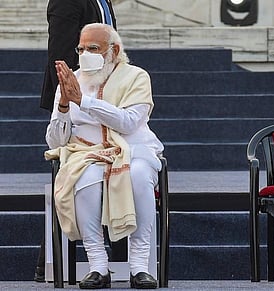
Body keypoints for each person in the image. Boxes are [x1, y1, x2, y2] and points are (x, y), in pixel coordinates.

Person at [44, 23, 162, 289]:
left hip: (133, 149)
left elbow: (129, 122)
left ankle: (140, 267)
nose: (85, 53)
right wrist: (64, 106)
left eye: (93, 48)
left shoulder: (136, 77)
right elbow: (55, 141)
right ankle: (97, 266)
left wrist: (83, 102)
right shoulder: (71, 82)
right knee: (84, 177)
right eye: (81, 48)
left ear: (114, 50)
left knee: (139, 175)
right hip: (86, 152)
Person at [35, 0, 116, 282]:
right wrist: (68, 96)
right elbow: (60, 51)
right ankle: (58, 260)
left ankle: (44, 261)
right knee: (72, 171)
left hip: (102, 92)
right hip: (74, 95)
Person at [40, 0, 116, 112]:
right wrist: (69, 99)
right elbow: (61, 53)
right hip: (81, 95)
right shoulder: (66, 2)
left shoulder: (104, 2)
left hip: (106, 88)